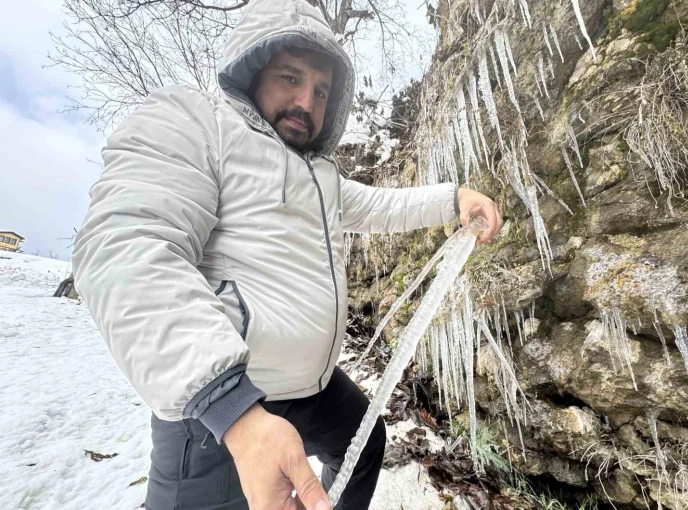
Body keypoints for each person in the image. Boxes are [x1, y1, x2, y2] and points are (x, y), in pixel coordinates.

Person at [72, 0, 502, 508]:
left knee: (364, 445)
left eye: (321, 91)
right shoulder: (196, 122)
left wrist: (453, 199)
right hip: (219, 409)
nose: (306, 101)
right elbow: (127, 246)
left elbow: (384, 205)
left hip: (311, 388)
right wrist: (233, 410)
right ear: (253, 71)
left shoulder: (322, 177)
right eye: (290, 78)